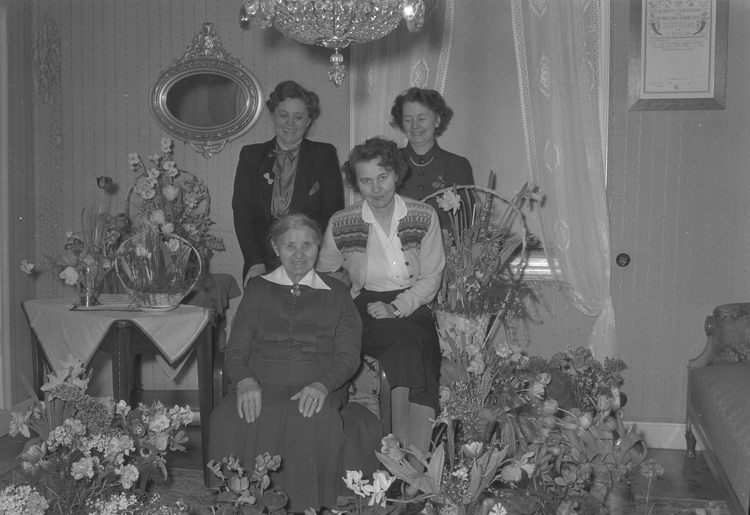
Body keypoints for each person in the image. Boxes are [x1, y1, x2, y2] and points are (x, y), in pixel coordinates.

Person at [208, 213, 373, 512]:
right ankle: (245, 504)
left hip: (318, 383)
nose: (299, 254)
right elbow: (236, 350)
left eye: (307, 245)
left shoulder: (337, 292)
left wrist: (323, 386)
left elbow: (349, 355)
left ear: (318, 247)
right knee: (229, 416)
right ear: (275, 248)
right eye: (289, 246)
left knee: (312, 417)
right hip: (260, 382)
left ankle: (306, 507)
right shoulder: (257, 288)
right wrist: (244, 381)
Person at [317, 137, 446, 470]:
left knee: (421, 345)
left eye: (383, 177)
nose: (376, 189)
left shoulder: (423, 215)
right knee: (403, 343)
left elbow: (432, 275)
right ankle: (404, 459)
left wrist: (398, 307)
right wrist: (345, 294)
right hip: (364, 305)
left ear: (396, 174)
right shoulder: (342, 222)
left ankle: (411, 462)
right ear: (355, 183)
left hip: (414, 302)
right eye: (366, 181)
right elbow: (326, 272)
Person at [233, 80, 344, 286]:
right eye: (283, 115)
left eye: (298, 117)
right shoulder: (251, 156)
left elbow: (332, 214)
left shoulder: (324, 155)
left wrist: (315, 259)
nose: (290, 123)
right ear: (273, 115)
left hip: (309, 261)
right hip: (263, 263)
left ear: (308, 120)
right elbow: (242, 214)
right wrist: (255, 261)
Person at [390, 87, 474, 226]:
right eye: (408, 119)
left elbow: (466, 222)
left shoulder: (457, 165)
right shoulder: (390, 162)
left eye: (421, 118)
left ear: (437, 120)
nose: (415, 126)